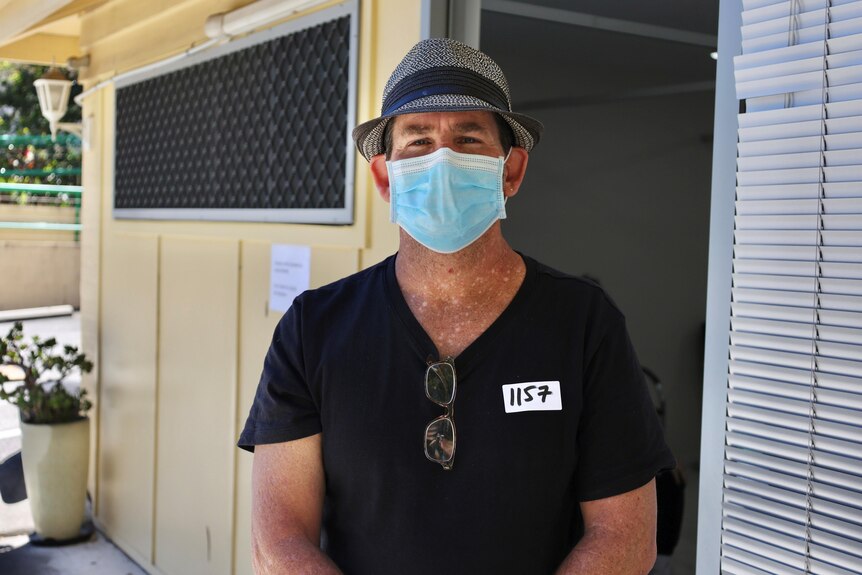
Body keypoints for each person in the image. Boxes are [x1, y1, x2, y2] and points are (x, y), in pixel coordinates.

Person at [238, 38, 675, 574]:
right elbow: (278, 541)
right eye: (418, 142)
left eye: (468, 139)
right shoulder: (313, 329)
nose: (443, 160)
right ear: (385, 177)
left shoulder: (583, 324)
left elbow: (625, 538)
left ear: (510, 171)